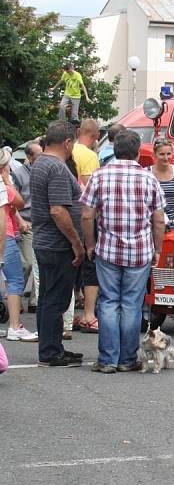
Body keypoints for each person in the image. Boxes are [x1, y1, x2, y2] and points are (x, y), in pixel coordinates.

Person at [80, 130, 165, 373]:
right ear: (138, 152)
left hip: (107, 250)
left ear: (114, 150)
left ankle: (107, 359)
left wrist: (89, 244)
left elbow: (86, 214)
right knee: (131, 304)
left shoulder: (99, 176)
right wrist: (157, 249)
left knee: (108, 302)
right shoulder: (149, 179)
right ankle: (128, 359)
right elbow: (159, 220)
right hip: (139, 252)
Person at [29, 121, 85, 367]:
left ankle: (51, 347)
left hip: (44, 241)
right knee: (57, 299)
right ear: (68, 143)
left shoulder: (40, 162)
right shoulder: (57, 168)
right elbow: (58, 211)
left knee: (47, 298)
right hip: (58, 244)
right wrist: (76, 242)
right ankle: (50, 352)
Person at [1, 149, 37, 341]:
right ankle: (15, 326)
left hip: (8, 232)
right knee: (15, 280)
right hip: (4, 236)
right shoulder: (3, 187)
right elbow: (20, 202)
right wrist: (6, 180)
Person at [72, 119, 101, 334]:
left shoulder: (68, 149)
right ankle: (88, 315)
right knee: (89, 264)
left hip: (64, 215)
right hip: (82, 216)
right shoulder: (89, 156)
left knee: (71, 263)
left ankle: (70, 313)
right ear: (95, 136)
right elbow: (88, 191)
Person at [9, 140, 43, 313]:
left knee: (40, 263)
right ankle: (15, 295)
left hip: (41, 222)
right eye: (38, 155)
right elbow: (12, 200)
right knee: (28, 263)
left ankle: (34, 301)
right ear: (29, 157)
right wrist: (21, 222)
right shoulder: (18, 174)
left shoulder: (43, 171)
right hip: (26, 222)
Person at [148, 138, 174, 224]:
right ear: (154, 154)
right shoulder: (147, 173)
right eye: (162, 154)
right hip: (153, 224)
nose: (166, 158)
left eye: (169, 154)